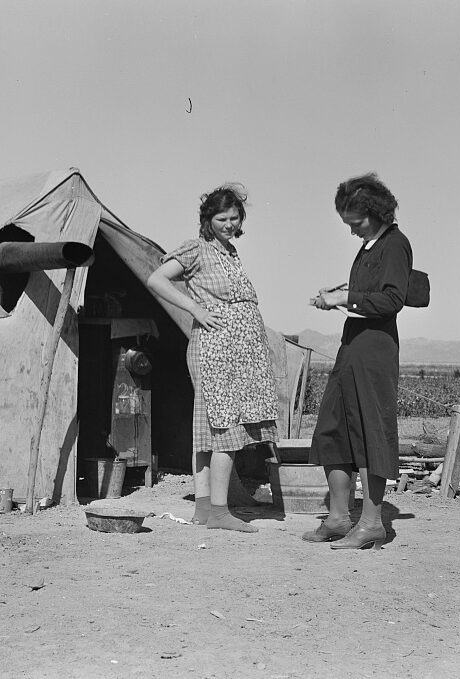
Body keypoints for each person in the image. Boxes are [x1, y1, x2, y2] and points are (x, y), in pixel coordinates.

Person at [147, 184, 278, 532]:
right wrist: (194, 308)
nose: (229, 224)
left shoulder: (230, 253)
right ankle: (220, 511)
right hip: (215, 350)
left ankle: (204, 508)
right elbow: (156, 279)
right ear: (208, 218)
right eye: (222, 218)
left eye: (235, 218)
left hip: (238, 355)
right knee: (225, 429)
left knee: (207, 431)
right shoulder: (197, 249)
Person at [304, 173, 412, 549]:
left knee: (370, 431)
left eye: (356, 223)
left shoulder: (395, 245)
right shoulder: (369, 246)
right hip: (352, 345)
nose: (351, 231)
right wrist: (340, 294)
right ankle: (337, 517)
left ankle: (371, 523)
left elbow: (392, 299)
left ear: (376, 211)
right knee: (333, 427)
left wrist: (343, 300)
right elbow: (367, 293)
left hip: (375, 350)